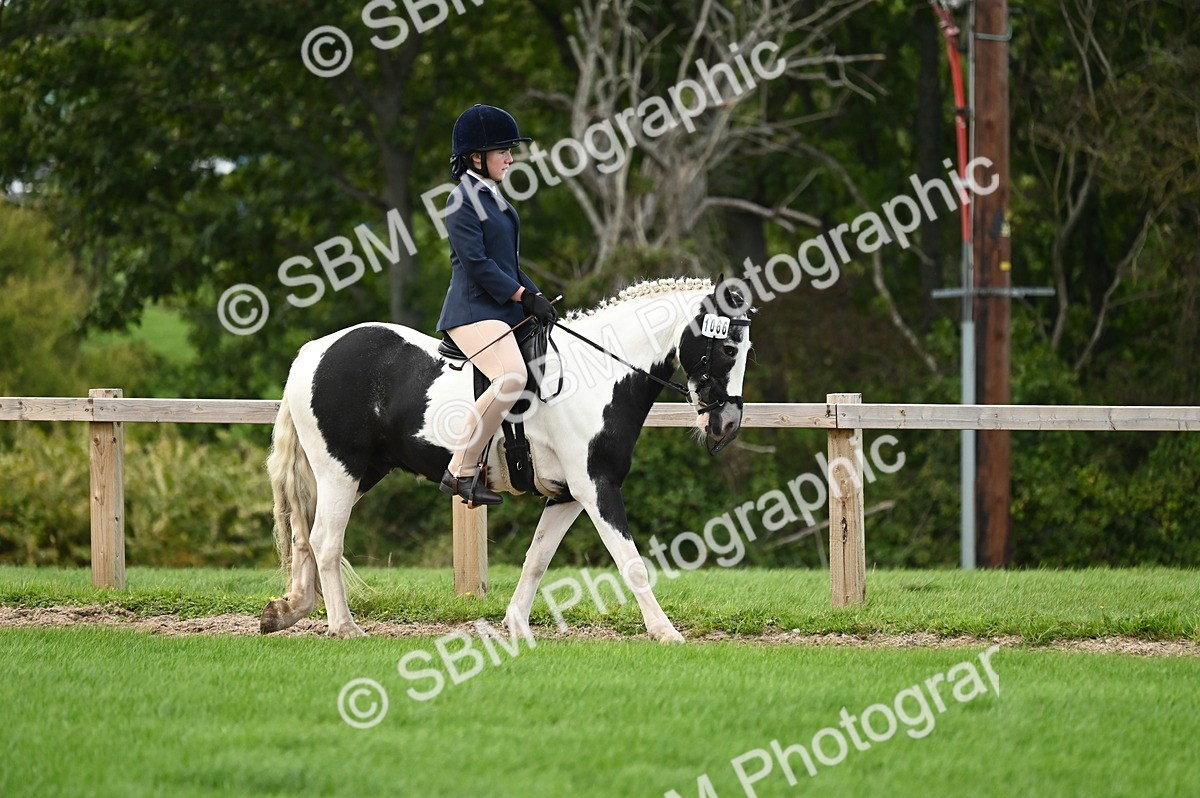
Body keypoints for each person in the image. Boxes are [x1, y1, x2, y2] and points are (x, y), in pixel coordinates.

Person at [437, 104, 556, 506]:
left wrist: (537, 296)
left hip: (499, 309)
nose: (510, 157)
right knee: (510, 378)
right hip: (471, 311)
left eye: (509, 151)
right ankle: (461, 470)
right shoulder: (460, 201)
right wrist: (523, 297)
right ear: (476, 157)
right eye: (503, 151)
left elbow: (510, 266)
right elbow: (478, 266)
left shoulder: (494, 198)